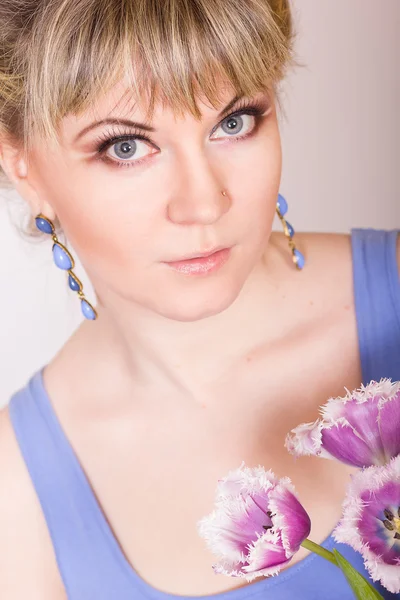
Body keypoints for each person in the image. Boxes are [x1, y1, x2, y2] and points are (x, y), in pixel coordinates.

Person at [0, 1, 398, 598]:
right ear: (22, 164)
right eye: (127, 147)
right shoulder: (20, 494)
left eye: (233, 122)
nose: (205, 203)